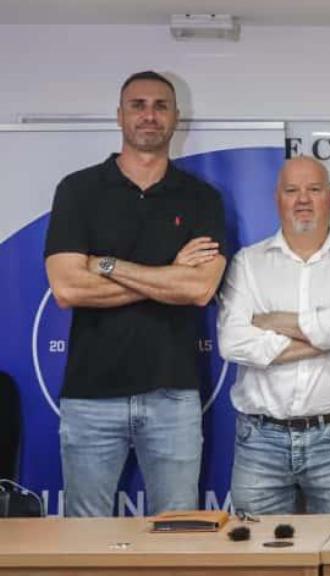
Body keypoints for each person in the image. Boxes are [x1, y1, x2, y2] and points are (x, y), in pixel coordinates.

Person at [44, 70, 226, 517]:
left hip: (173, 395)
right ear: (119, 116)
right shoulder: (79, 190)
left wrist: (106, 265)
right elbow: (67, 286)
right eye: (138, 105)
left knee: (178, 536)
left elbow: (200, 288)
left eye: (160, 106)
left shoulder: (201, 198)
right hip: (90, 397)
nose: (149, 115)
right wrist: (168, 278)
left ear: (176, 118)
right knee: (85, 542)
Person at [217, 156, 330, 514]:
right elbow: (233, 342)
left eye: (314, 189)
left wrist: (272, 320)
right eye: (292, 190)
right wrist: (329, 334)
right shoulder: (248, 263)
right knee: (260, 563)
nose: (303, 199)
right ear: (278, 198)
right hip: (260, 441)